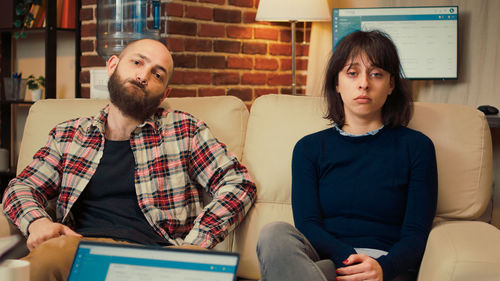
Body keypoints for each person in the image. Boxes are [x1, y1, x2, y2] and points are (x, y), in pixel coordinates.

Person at [2, 39, 256, 281]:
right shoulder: (68, 134)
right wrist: (37, 221)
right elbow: (22, 187)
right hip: (79, 249)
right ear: (112, 65)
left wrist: (195, 243)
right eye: (137, 62)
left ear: (164, 93)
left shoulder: (185, 130)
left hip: (161, 254)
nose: (143, 76)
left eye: (157, 74)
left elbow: (239, 183)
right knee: (48, 255)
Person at [256, 30, 437, 281]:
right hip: (328, 265)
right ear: (337, 84)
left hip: (386, 268)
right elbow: (308, 224)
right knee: (273, 234)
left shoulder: (417, 147)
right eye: (352, 73)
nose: (363, 83)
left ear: (391, 85)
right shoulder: (308, 149)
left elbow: (416, 233)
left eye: (376, 74)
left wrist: (382, 268)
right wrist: (350, 260)